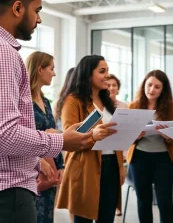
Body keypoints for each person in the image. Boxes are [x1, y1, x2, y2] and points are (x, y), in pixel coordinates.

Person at [0, 0, 94, 223]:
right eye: (37, 11)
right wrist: (61, 141)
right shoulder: (6, 54)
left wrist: (35, 157)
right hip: (10, 194)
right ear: (18, 8)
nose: (39, 20)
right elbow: (5, 134)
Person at [56, 55, 126, 223]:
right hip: (85, 167)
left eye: (108, 71)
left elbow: (114, 133)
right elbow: (69, 138)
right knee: (83, 218)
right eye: (102, 71)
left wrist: (121, 167)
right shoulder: (73, 100)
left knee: (107, 218)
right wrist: (93, 136)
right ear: (88, 74)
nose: (107, 75)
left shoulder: (106, 100)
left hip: (111, 165)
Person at [127, 70, 173, 223]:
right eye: (149, 85)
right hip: (139, 157)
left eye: (157, 87)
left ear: (163, 89)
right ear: (144, 85)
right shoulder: (134, 106)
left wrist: (167, 135)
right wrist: (134, 135)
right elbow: (126, 135)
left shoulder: (171, 107)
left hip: (163, 158)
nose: (152, 90)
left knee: (165, 203)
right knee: (143, 202)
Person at [26, 51, 64, 223]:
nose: (54, 73)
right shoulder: (23, 102)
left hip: (50, 171)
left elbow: (54, 136)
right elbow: (20, 137)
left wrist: (60, 164)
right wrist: (38, 160)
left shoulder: (47, 102)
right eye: (52, 68)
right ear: (40, 69)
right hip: (31, 171)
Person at [107, 73, 127, 217]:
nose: (111, 88)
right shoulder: (101, 106)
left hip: (119, 149)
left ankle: (116, 206)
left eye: (114, 85)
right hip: (105, 148)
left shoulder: (124, 106)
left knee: (116, 182)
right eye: (109, 85)